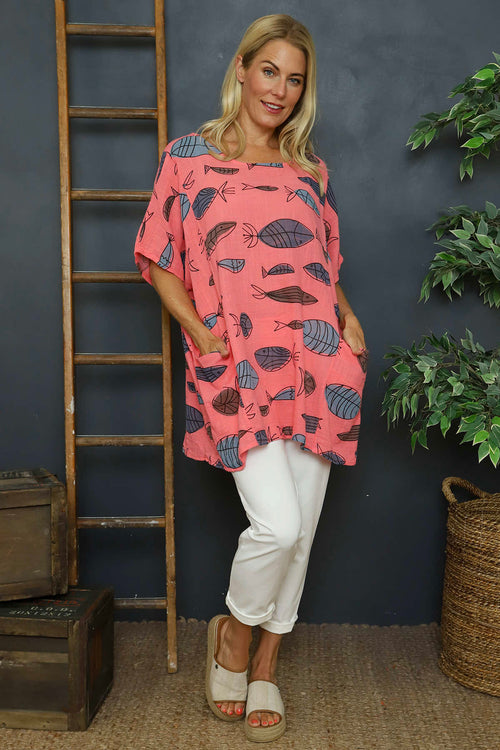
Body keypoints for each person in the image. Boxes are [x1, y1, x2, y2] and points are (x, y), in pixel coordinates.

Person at [134, 14, 367, 742]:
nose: (280, 90)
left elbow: (322, 265)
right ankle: (234, 633)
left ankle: (266, 662)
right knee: (278, 523)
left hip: (317, 360)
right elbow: (158, 258)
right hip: (234, 362)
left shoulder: (310, 171)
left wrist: (348, 319)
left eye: (295, 79)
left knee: (302, 531)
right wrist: (201, 334)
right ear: (241, 68)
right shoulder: (187, 159)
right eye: (270, 71)